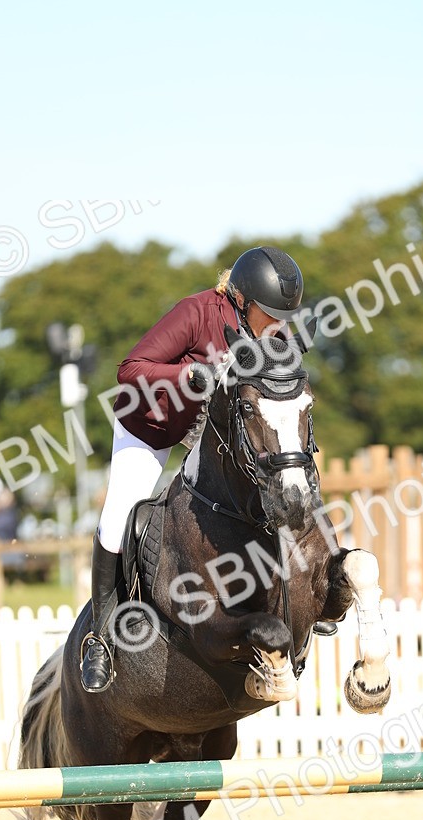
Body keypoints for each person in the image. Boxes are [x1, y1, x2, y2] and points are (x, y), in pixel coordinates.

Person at [80, 246, 306, 692]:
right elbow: (130, 369)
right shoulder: (196, 312)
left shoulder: (268, 332)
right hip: (153, 422)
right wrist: (189, 377)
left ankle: (296, 601)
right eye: (270, 314)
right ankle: (100, 639)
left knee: (273, 492)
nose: (278, 327)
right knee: (117, 517)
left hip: (210, 431)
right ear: (240, 299)